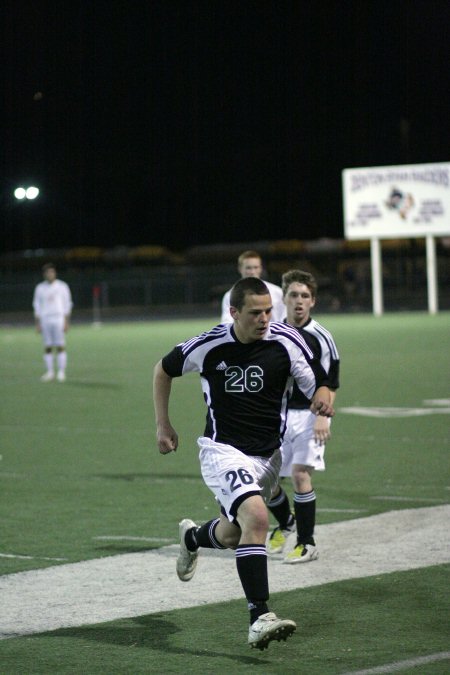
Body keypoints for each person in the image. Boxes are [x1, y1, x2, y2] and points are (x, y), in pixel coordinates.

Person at [153, 277, 335, 650]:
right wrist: (163, 423)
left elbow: (316, 380)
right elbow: (163, 369)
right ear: (234, 312)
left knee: (235, 533)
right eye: (255, 312)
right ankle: (259, 616)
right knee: (257, 518)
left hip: (268, 456)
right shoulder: (211, 344)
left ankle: (192, 537)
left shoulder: (286, 341)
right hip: (223, 452)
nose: (265, 318)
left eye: (269, 310)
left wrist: (320, 397)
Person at [267, 270, 340, 563]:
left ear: (313, 301)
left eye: (305, 296)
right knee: (267, 481)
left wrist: (323, 417)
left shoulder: (322, 337)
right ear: (284, 299)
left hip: (311, 416)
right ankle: (286, 522)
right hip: (278, 416)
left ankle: (307, 543)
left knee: (299, 475)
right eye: (293, 295)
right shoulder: (271, 332)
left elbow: (330, 382)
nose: (299, 301)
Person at [32, 263, 73, 382]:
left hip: (58, 318)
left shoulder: (62, 286)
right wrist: (37, 323)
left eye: (52, 272)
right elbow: (37, 306)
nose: (50, 274)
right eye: (48, 272)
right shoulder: (40, 288)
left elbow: (67, 304)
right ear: (44, 274)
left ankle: (61, 372)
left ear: (55, 273)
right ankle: (50, 372)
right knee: (48, 347)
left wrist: (66, 321)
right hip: (45, 319)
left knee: (60, 346)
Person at [220, 250, 285, 323]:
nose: (252, 272)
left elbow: (284, 318)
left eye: (256, 267)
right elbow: (227, 323)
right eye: (248, 268)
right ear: (240, 269)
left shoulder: (277, 292)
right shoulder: (230, 296)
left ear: (261, 268)